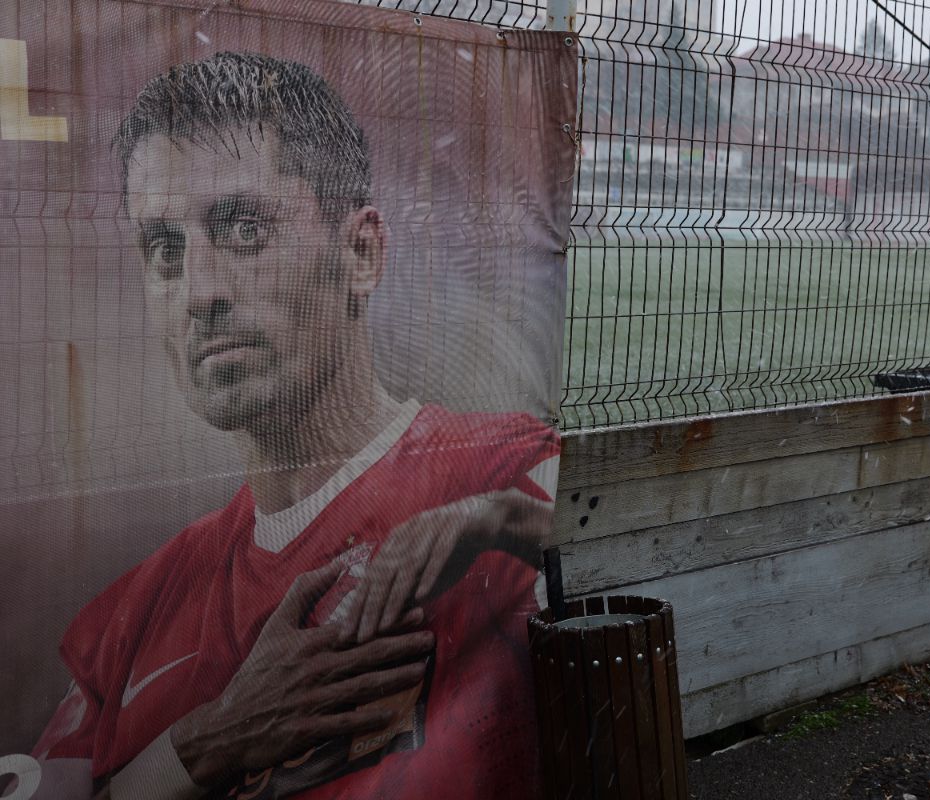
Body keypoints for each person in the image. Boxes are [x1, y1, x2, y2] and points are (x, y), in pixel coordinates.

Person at [23, 51, 559, 800]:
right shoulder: (134, 617)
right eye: (165, 249)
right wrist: (208, 741)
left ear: (361, 253)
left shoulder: (505, 484)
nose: (199, 293)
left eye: (243, 228)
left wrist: (510, 522)